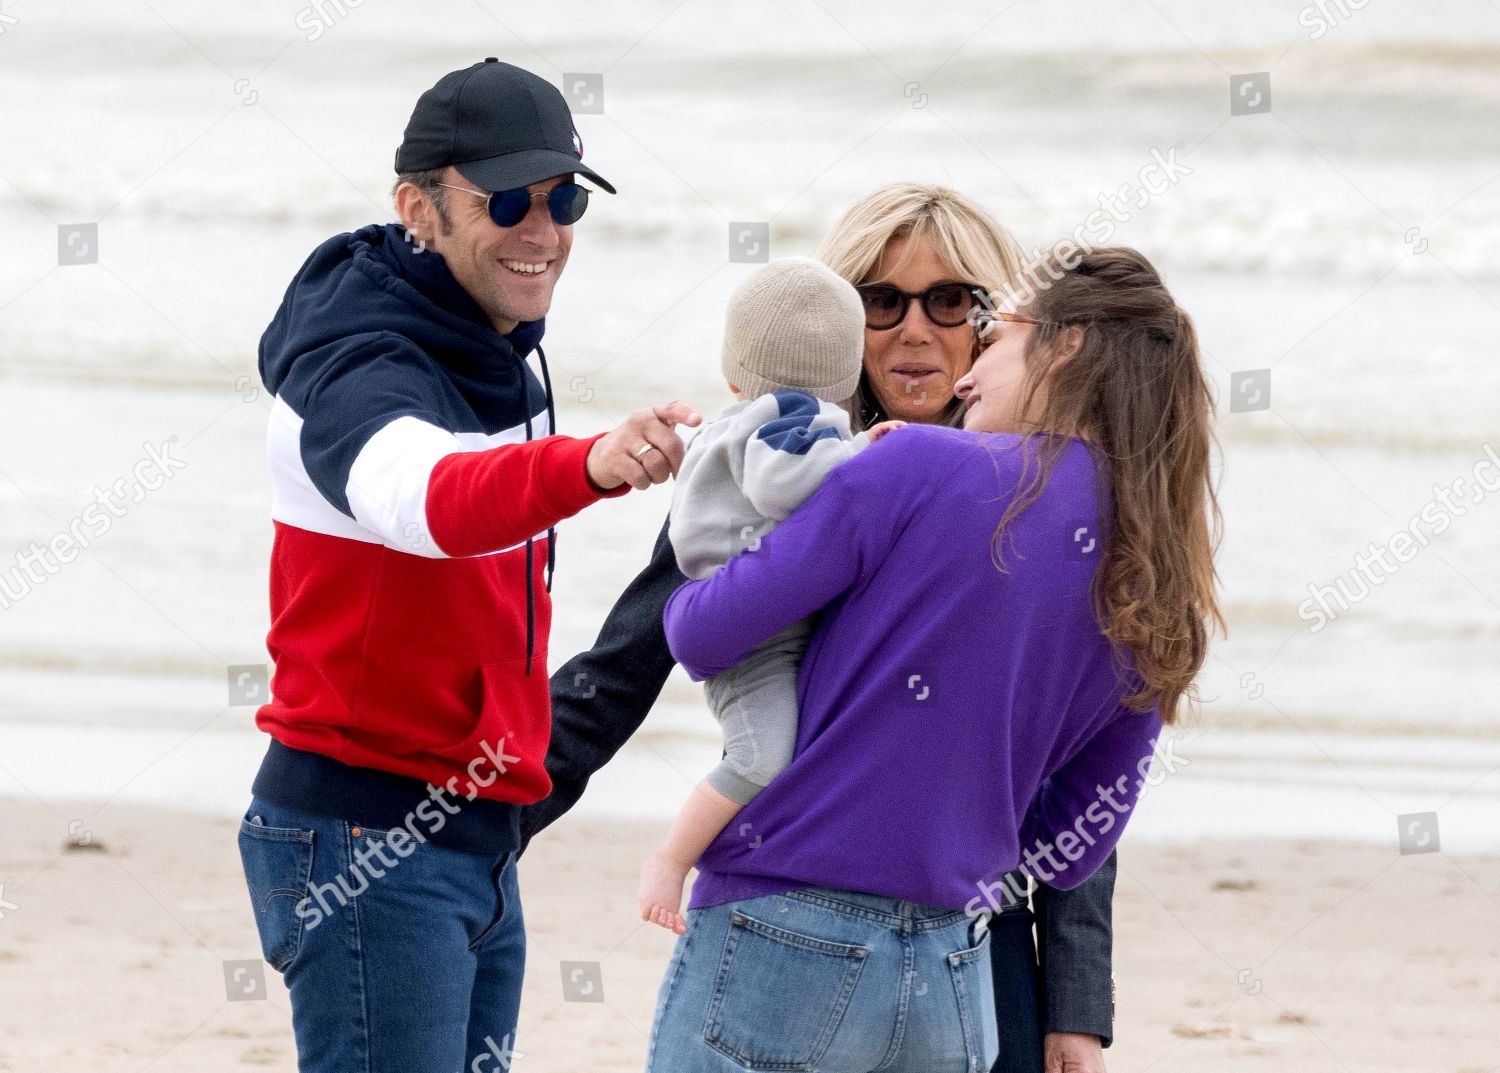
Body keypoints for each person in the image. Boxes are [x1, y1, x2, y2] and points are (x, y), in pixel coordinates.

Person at [520, 184, 1122, 1073]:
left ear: (996, 323)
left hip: (976, 934)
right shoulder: (763, 477)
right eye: (882, 302)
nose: (915, 331)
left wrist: (1076, 1003)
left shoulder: (1041, 500)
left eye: (951, 301)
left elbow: (1078, 749)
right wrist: (481, 821)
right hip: (793, 912)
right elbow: (620, 671)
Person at [645, 244, 1223, 1072]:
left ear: (1064, 348)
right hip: (953, 974)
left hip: (781, 923)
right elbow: (1074, 843)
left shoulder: (909, 464)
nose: (965, 372)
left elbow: (701, 633)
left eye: (993, 334)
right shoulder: (1156, 582)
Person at [234, 58, 701, 1073]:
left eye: (564, 197)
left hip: (480, 836)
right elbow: (427, 500)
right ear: (419, 207)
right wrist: (587, 463)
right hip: (362, 836)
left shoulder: (495, 336)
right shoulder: (354, 360)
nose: (543, 231)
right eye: (506, 201)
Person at [639, 257, 905, 934]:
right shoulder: (783, 414)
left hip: (757, 617)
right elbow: (787, 484)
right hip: (750, 636)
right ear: (849, 375)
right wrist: (865, 457)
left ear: (733, 368)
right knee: (760, 755)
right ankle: (672, 858)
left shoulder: (747, 416)